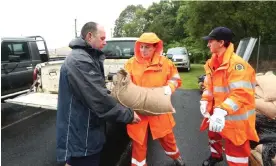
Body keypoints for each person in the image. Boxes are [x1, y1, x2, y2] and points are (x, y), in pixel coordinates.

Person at [56, 21, 141, 166]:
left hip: (83, 131)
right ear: (90, 36)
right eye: (102, 38)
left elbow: (97, 90)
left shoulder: (86, 57)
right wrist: (128, 115)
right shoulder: (80, 61)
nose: (105, 42)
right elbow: (99, 99)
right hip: (83, 136)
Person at [199, 27, 259, 166]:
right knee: (213, 136)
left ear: (221, 42)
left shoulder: (237, 65)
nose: (208, 44)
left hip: (235, 119)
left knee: (236, 153)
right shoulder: (211, 63)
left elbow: (241, 93)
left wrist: (221, 111)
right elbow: (209, 87)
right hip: (216, 114)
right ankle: (216, 156)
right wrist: (204, 101)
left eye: (210, 41)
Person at [124, 32, 185, 166]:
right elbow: (125, 84)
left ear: (155, 48)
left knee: (167, 138)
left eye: (147, 47)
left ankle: (176, 157)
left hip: (159, 107)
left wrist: (169, 87)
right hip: (139, 108)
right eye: (141, 47)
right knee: (138, 141)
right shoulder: (130, 63)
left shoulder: (165, 63)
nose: (143, 50)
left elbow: (175, 79)